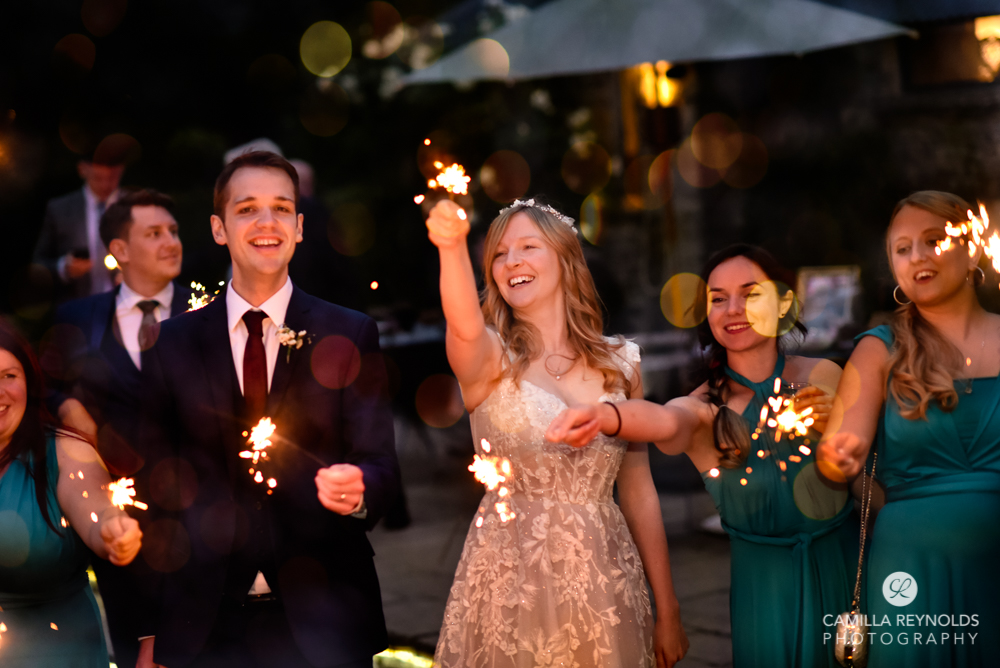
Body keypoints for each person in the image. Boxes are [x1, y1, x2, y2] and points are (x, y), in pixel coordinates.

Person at [135, 151, 399, 668]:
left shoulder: (349, 332)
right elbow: (152, 492)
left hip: (325, 617)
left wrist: (360, 489)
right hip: (205, 623)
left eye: (281, 208)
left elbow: (383, 468)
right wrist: (150, 630)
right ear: (218, 228)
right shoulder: (170, 343)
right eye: (247, 208)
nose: (266, 223)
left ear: (300, 228)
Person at [547, 244, 853, 667]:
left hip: (844, 569)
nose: (733, 309)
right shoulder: (705, 411)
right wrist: (606, 415)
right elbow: (665, 421)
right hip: (764, 593)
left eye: (750, 294)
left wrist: (839, 429)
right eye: (718, 298)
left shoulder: (824, 377)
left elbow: (860, 472)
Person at [425, 197, 689, 668]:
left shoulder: (620, 363)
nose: (512, 262)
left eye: (528, 246)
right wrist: (450, 246)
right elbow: (463, 325)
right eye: (500, 254)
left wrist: (667, 609)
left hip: (606, 578)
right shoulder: (489, 357)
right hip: (511, 582)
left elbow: (638, 490)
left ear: (566, 261)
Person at [818, 191, 1000, 666]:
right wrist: (838, 456)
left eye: (933, 239)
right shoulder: (878, 351)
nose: (917, 255)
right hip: (911, 572)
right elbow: (838, 458)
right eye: (902, 248)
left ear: (973, 248)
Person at [43, 188, 191, 668]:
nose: (172, 242)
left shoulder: (210, 310)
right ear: (120, 251)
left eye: (173, 231)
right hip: (118, 516)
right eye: (154, 233)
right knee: (137, 653)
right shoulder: (77, 318)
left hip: (203, 516)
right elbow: (38, 386)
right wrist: (66, 404)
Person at [0, 320, 143, 668]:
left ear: (29, 382)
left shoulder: (64, 450)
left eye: (9, 376)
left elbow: (95, 507)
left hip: (59, 654)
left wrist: (112, 529)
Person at [33, 154, 126, 301]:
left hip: (125, 306)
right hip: (77, 309)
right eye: (98, 178)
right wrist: (63, 268)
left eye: (112, 178)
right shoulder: (60, 209)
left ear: (121, 170)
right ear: (83, 170)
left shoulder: (135, 206)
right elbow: (37, 265)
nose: (105, 185)